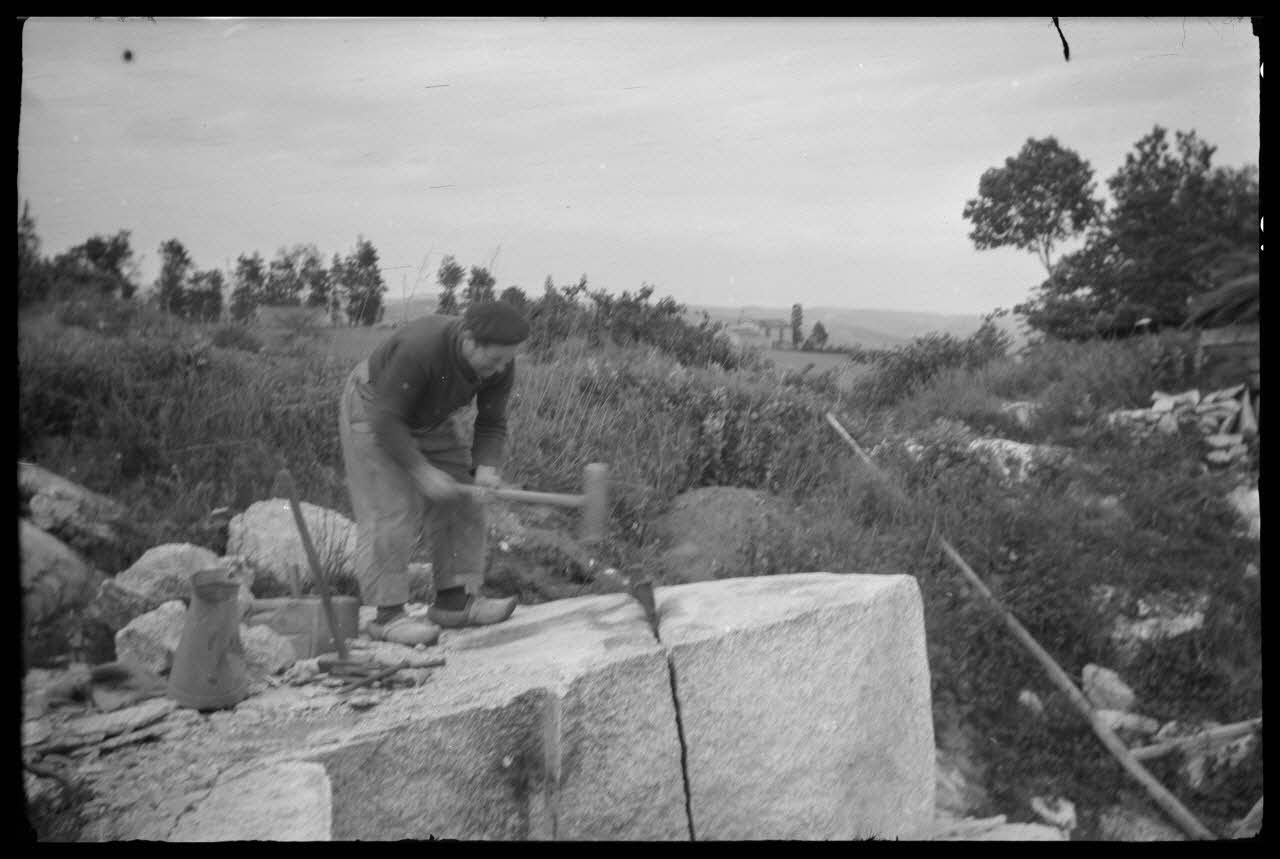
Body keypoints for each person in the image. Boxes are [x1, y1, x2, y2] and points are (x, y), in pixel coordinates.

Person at [338, 301, 530, 646]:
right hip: (374, 408)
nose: (501, 369)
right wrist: (421, 471)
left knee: (465, 497)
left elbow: (492, 422)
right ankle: (388, 617)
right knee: (392, 509)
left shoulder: (500, 364)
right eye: (495, 359)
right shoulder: (422, 347)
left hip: (429, 417)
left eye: (507, 360)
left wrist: (486, 468)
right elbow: (386, 419)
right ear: (469, 340)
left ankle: (454, 603)